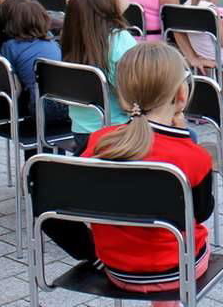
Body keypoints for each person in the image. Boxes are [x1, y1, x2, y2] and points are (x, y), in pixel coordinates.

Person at [82, 42, 214, 307]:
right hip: (176, 272)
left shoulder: (99, 141)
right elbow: (200, 214)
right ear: (181, 94)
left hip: (117, 269)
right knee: (188, 235)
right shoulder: (194, 156)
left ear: (123, 94)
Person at [60, 0, 136, 155]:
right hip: (117, 134)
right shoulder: (120, 40)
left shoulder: (74, 41)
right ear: (106, 4)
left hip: (81, 134)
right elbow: (130, 102)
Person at [0, 0, 70, 145]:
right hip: (69, 104)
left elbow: (13, 85)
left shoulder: (10, 47)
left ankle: (35, 162)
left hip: (41, 109)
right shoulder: (50, 39)